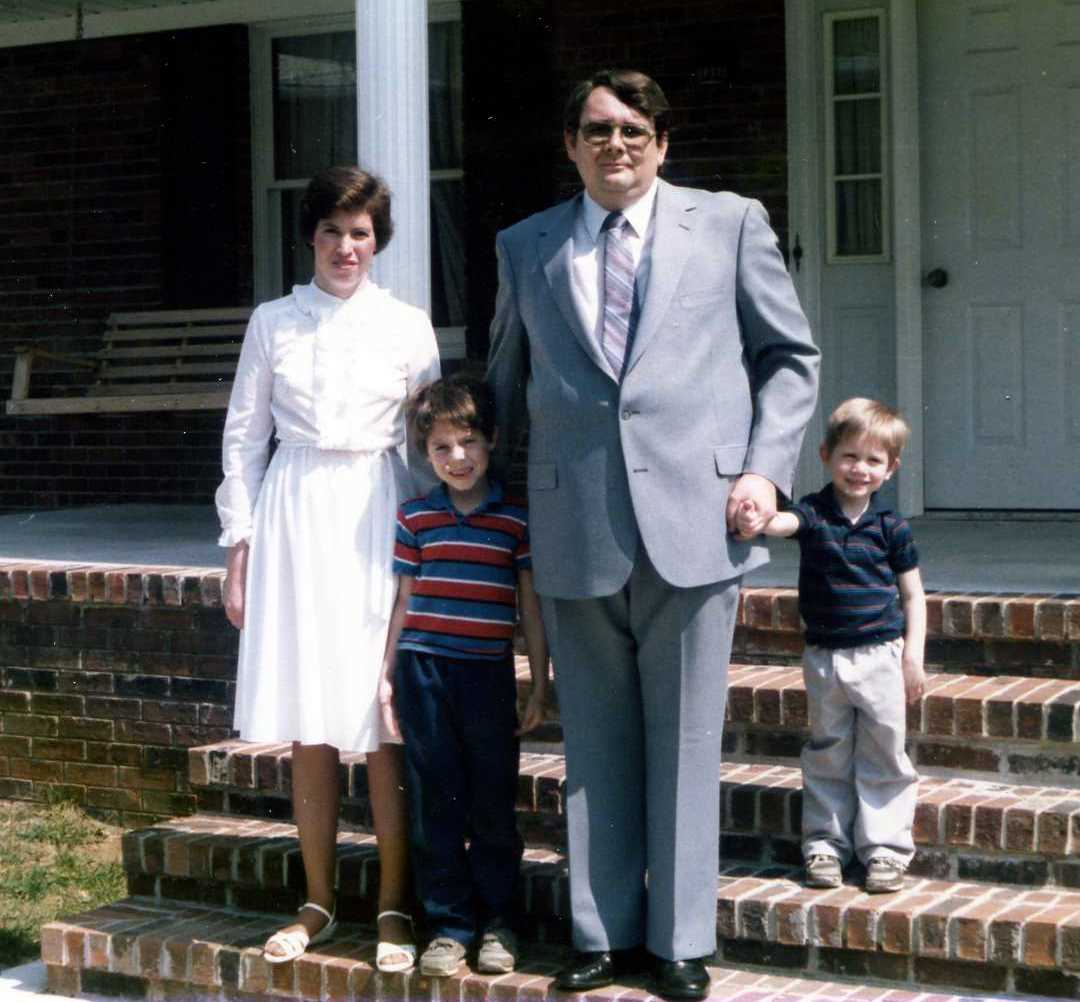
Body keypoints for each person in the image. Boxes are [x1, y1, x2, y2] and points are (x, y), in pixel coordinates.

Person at [486, 69, 820, 999]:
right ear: (570, 145)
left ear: (663, 143)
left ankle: (679, 942)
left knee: (683, 742)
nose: (616, 145)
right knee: (592, 747)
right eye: (597, 130)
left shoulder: (730, 223)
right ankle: (602, 934)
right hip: (575, 521)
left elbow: (790, 359)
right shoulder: (526, 244)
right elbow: (504, 379)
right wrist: (484, 510)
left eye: (634, 130)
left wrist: (763, 469)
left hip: (699, 518)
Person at [216, 165, 440, 970]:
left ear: (378, 242)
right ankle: (317, 899)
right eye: (333, 232)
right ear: (310, 236)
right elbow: (244, 438)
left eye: (361, 234)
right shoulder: (273, 322)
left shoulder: (408, 325)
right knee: (310, 716)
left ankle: (392, 905)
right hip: (294, 516)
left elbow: (429, 444)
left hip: (378, 513)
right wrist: (238, 550)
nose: (347, 247)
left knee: (381, 718)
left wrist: (433, 549)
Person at [379, 373, 549, 978]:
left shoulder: (514, 521)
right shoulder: (415, 518)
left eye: (469, 441)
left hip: (486, 674)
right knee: (436, 801)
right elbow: (404, 601)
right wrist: (387, 678)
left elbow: (529, 606)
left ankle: (498, 921)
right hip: (423, 670)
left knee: (493, 800)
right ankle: (448, 927)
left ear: (492, 440)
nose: (458, 457)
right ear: (425, 454)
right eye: (442, 447)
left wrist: (539, 679)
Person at [736, 398, 925, 894]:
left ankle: (885, 849)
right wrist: (759, 515)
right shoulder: (814, 512)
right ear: (826, 455)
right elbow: (784, 524)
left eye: (873, 460)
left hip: (881, 655)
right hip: (824, 658)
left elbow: (913, 595)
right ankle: (825, 844)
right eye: (849, 456)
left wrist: (913, 656)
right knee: (828, 751)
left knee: (885, 753)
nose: (860, 469)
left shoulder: (891, 526)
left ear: (891, 468)